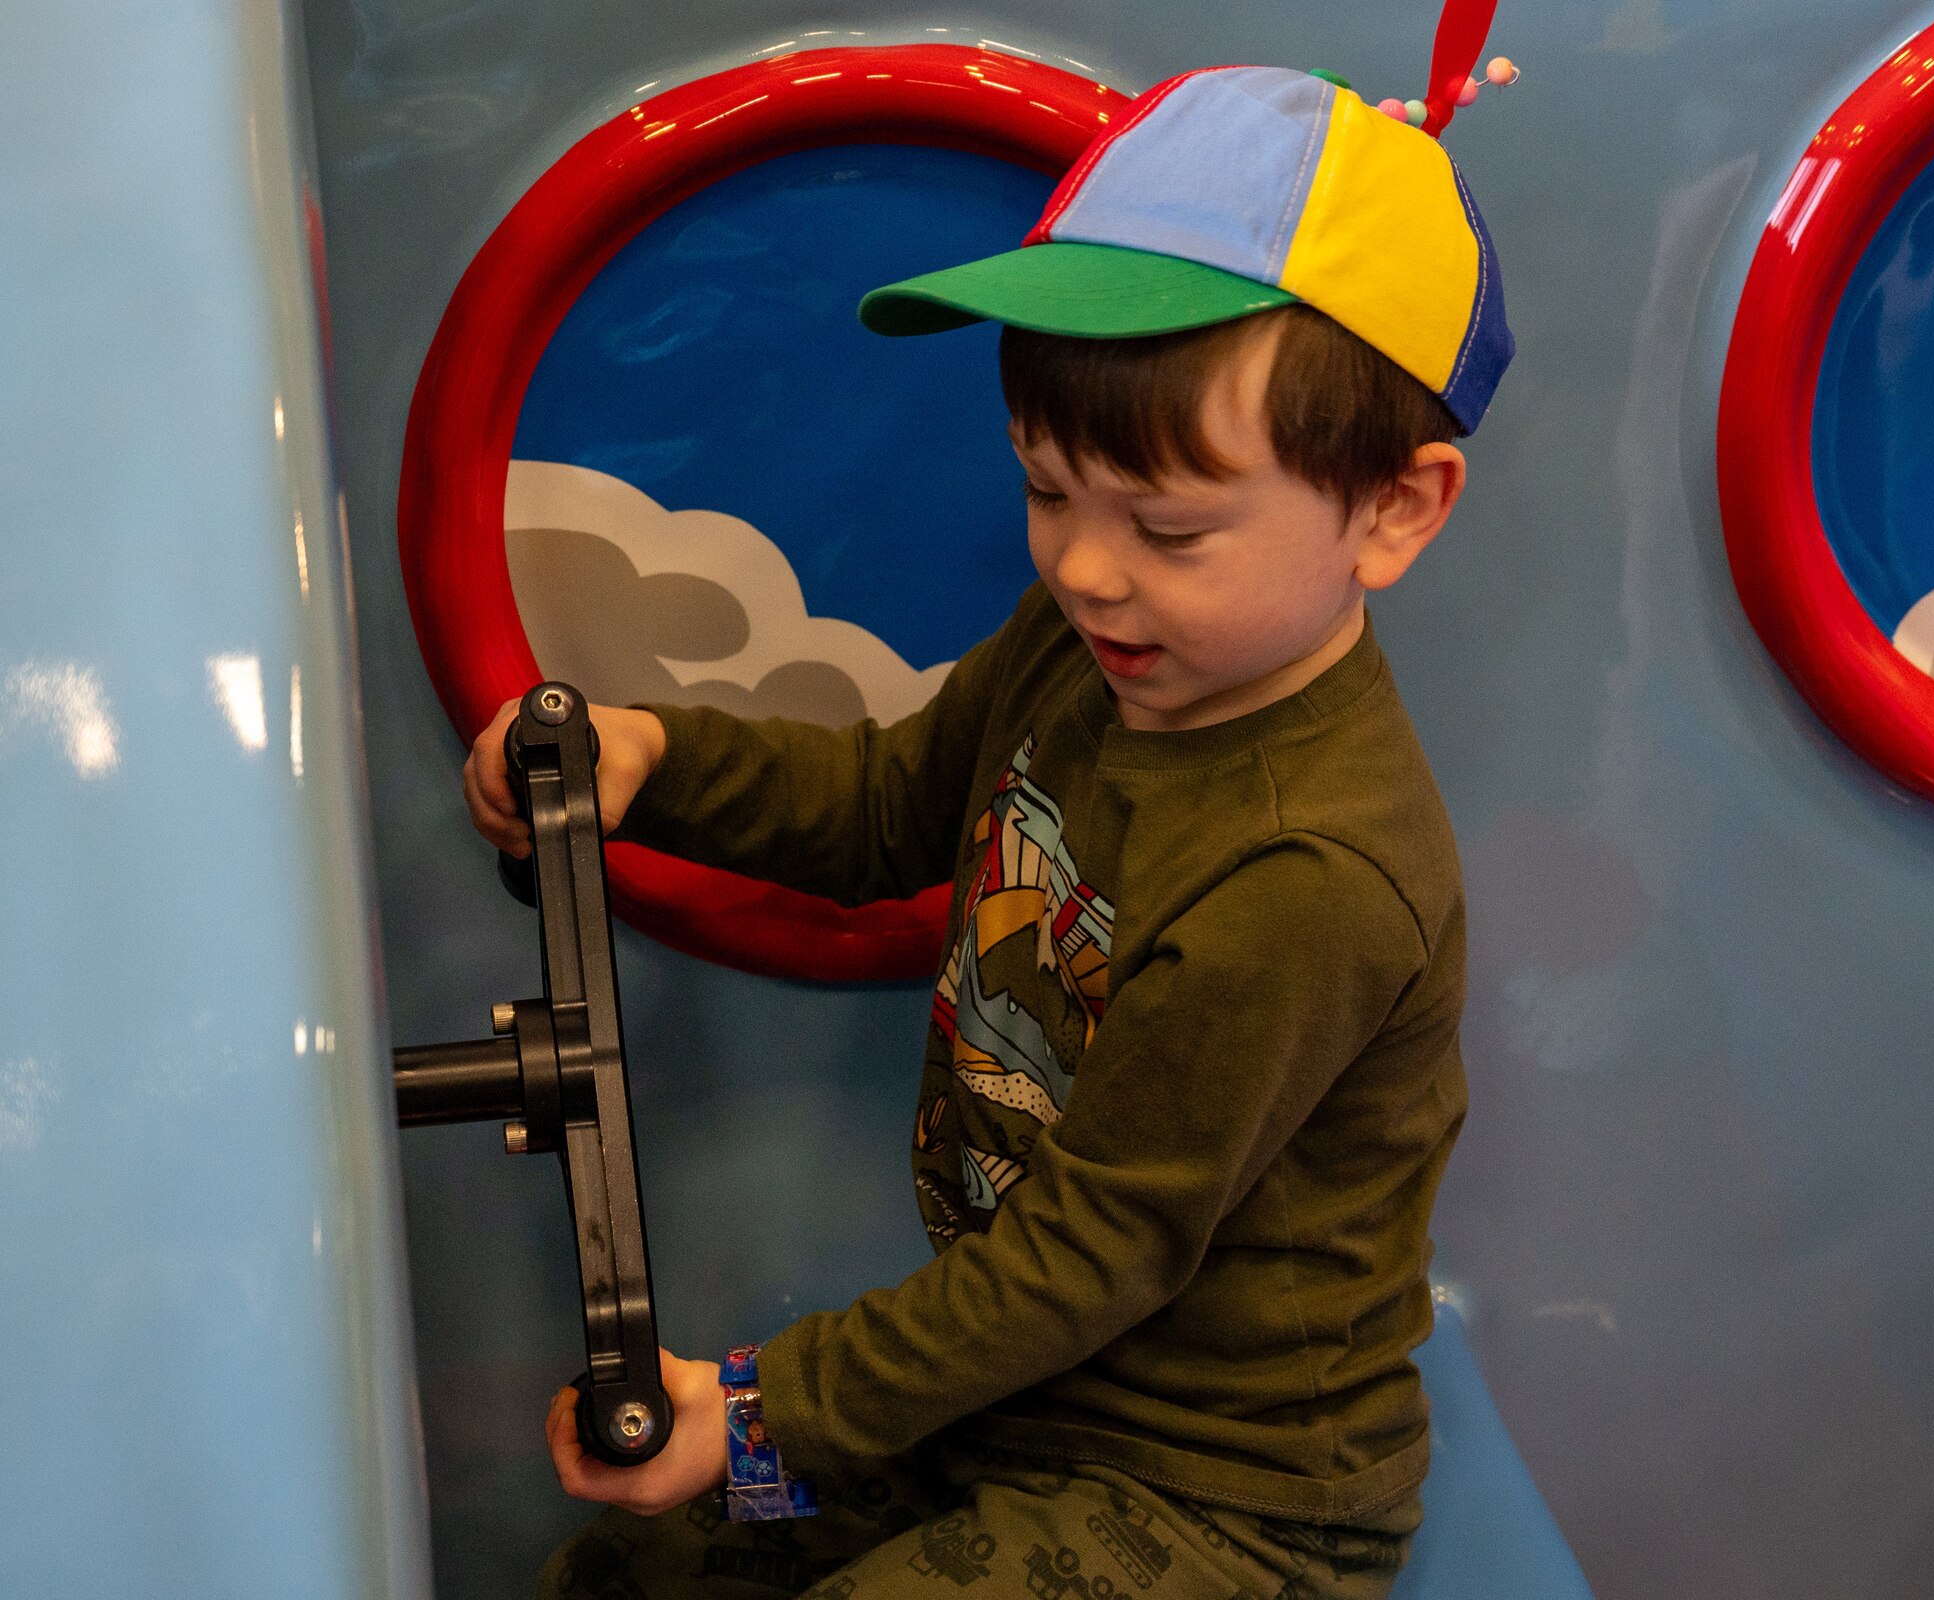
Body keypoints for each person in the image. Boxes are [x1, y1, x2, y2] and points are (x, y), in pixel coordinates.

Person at [464, 64, 1512, 1600]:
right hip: (1020, 1393)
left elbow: (1097, 1250)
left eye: (1167, 529)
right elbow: (895, 804)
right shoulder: (1090, 647)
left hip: (1221, 1496)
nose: (1087, 568)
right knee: (620, 1582)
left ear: (1396, 509)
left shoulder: (1311, 874)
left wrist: (760, 1405)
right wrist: (649, 758)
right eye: (1045, 491)